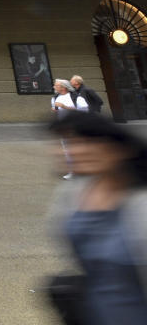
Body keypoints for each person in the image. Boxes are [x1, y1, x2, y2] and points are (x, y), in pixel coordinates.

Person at [47, 112, 147, 324]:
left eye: (86, 142)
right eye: (68, 142)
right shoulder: (72, 192)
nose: (74, 151)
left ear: (119, 149)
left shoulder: (140, 200)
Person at [52, 79, 88, 180]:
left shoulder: (77, 98)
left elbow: (85, 110)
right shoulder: (55, 98)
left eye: (56, 85)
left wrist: (65, 107)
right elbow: (56, 111)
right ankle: (73, 171)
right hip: (64, 128)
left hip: (76, 126)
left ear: (63, 87)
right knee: (67, 150)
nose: (54, 87)